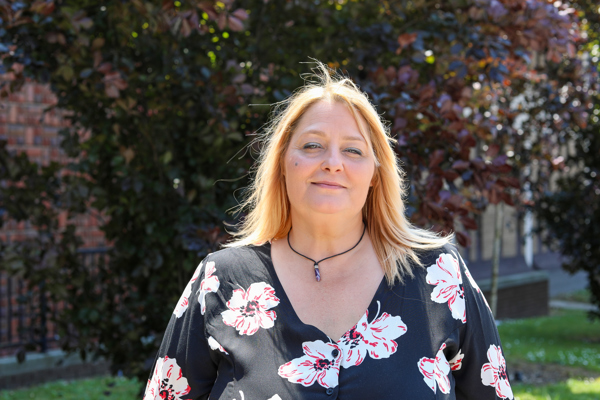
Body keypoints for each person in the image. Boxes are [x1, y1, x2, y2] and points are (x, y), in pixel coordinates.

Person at [143, 64, 513, 400]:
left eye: (353, 151)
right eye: (313, 145)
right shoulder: (220, 281)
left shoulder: (439, 275)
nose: (332, 163)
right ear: (284, 163)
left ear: (374, 175)